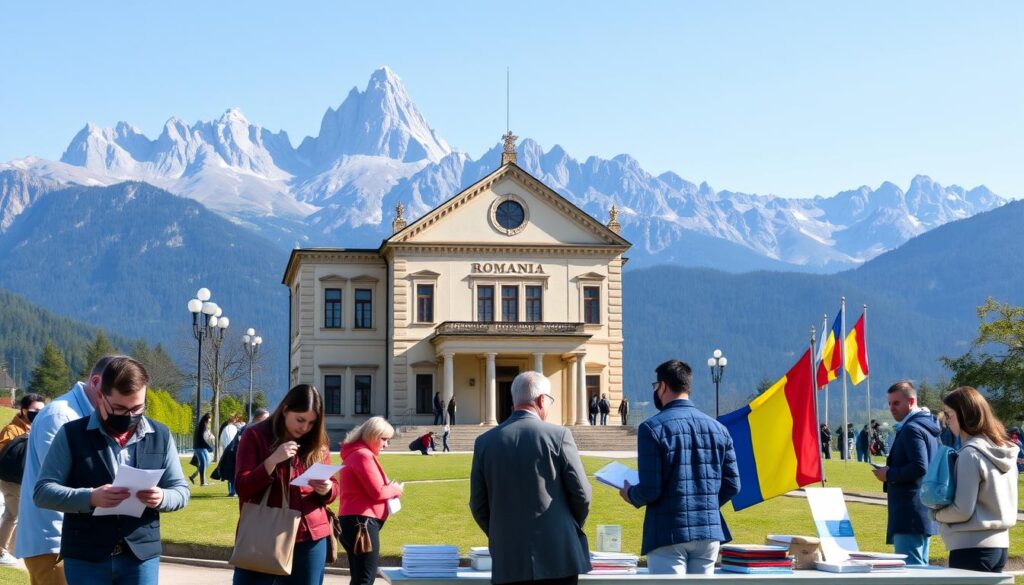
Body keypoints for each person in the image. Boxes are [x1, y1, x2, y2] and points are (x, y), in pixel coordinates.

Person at [33, 356, 190, 584]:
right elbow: (43, 492)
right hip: (86, 557)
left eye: (137, 408)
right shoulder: (71, 434)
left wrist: (162, 497)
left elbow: (181, 490)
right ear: (100, 397)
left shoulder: (161, 435)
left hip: (140, 557)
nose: (129, 416)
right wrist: (90, 497)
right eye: (119, 408)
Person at [619, 359, 740, 575]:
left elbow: (650, 489)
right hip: (708, 529)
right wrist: (704, 502)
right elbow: (732, 485)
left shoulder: (652, 428)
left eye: (656, 387)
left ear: (663, 386)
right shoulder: (719, 429)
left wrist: (630, 494)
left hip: (667, 530)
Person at [470, 371, 591, 585]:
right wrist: (566, 526)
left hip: (509, 558)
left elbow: (478, 504)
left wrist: (503, 533)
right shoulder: (559, 435)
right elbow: (581, 494)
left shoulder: (484, 442)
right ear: (542, 400)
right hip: (558, 554)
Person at [17, 355, 115, 585]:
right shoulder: (61, 416)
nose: (114, 398)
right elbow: (57, 480)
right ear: (95, 382)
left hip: (68, 538)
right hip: (55, 541)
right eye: (112, 390)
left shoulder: (80, 412)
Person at [233, 384, 339, 585]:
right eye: (300, 420)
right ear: (285, 409)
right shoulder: (255, 435)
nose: (305, 427)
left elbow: (333, 486)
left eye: (311, 422)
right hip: (264, 533)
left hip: (311, 535)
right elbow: (242, 486)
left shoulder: (317, 440)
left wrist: (328, 489)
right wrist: (272, 461)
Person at [934, 386, 1018, 573]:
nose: (947, 422)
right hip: (1000, 545)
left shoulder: (970, 454)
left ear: (965, 414)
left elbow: (962, 510)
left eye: (949, 415)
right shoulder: (1005, 450)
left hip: (970, 548)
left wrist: (936, 514)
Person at [871, 380, 939, 566]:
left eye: (896, 403)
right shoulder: (926, 425)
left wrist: (889, 474)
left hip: (910, 512)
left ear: (911, 402)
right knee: (920, 570)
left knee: (911, 572)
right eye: (890, 403)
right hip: (922, 510)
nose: (892, 408)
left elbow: (920, 467)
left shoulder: (911, 429)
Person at [338, 417, 404, 585]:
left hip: (355, 521)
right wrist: (396, 489)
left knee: (360, 576)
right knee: (365, 578)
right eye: (384, 439)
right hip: (363, 523)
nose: (386, 445)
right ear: (373, 435)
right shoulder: (363, 455)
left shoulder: (355, 453)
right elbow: (377, 492)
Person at [0, 393, 45, 566]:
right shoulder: (12, 430)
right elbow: (5, 456)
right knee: (14, 514)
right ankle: (1, 550)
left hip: (25, 480)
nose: (39, 414)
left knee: (18, 514)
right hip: (11, 479)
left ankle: (12, 551)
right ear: (24, 410)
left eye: (42, 410)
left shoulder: (36, 428)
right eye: (35, 410)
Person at [190, 413, 214, 486]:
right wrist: (209, 445)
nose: (210, 422)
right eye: (209, 420)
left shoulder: (202, 426)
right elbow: (204, 437)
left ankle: (193, 476)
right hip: (200, 447)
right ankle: (202, 482)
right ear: (206, 419)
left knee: (206, 462)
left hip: (201, 447)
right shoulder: (203, 426)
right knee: (203, 463)